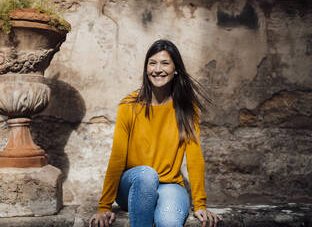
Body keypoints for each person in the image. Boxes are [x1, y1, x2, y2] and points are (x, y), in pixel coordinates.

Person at [89, 39, 222, 227]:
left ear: (176, 69)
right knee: (146, 175)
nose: (157, 69)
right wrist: (104, 207)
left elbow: (194, 157)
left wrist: (200, 204)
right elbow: (118, 157)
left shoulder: (186, 109)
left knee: (169, 221)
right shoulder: (129, 105)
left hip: (169, 186)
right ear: (146, 69)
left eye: (165, 63)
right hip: (133, 186)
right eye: (152, 63)